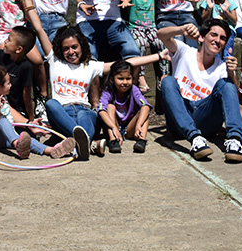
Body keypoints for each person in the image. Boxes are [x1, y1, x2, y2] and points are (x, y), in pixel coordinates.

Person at [37, 22, 167, 160]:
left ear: (82, 46)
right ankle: (87, 143)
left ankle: (78, 143)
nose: (71, 52)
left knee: (84, 114)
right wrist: (27, 2)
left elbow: (125, 64)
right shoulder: (55, 61)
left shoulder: (91, 66)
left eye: (74, 47)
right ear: (60, 50)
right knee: (51, 103)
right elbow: (39, 29)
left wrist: (159, 56)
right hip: (63, 114)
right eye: (66, 49)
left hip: (85, 111)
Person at [157, 19, 242, 163]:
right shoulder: (184, 51)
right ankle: (195, 138)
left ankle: (235, 141)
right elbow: (161, 35)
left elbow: (232, 98)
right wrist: (181, 29)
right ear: (202, 37)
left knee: (227, 85)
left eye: (222, 38)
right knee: (168, 81)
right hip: (179, 121)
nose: (217, 40)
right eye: (213, 35)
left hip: (207, 122)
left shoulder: (223, 67)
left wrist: (231, 73)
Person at [0, 66, 76, 160]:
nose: (11, 85)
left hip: (9, 138)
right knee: (3, 121)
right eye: (8, 83)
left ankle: (51, 150)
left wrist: (30, 125)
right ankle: (18, 144)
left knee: (29, 140)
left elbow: (12, 114)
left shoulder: (4, 98)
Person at [97, 59, 152, 153]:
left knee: (144, 113)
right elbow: (101, 110)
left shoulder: (134, 90)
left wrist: (138, 125)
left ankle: (141, 140)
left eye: (128, 78)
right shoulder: (108, 91)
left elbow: (145, 106)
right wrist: (114, 128)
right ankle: (113, 141)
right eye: (120, 79)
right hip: (113, 128)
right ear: (112, 79)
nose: (125, 82)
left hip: (130, 130)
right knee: (110, 107)